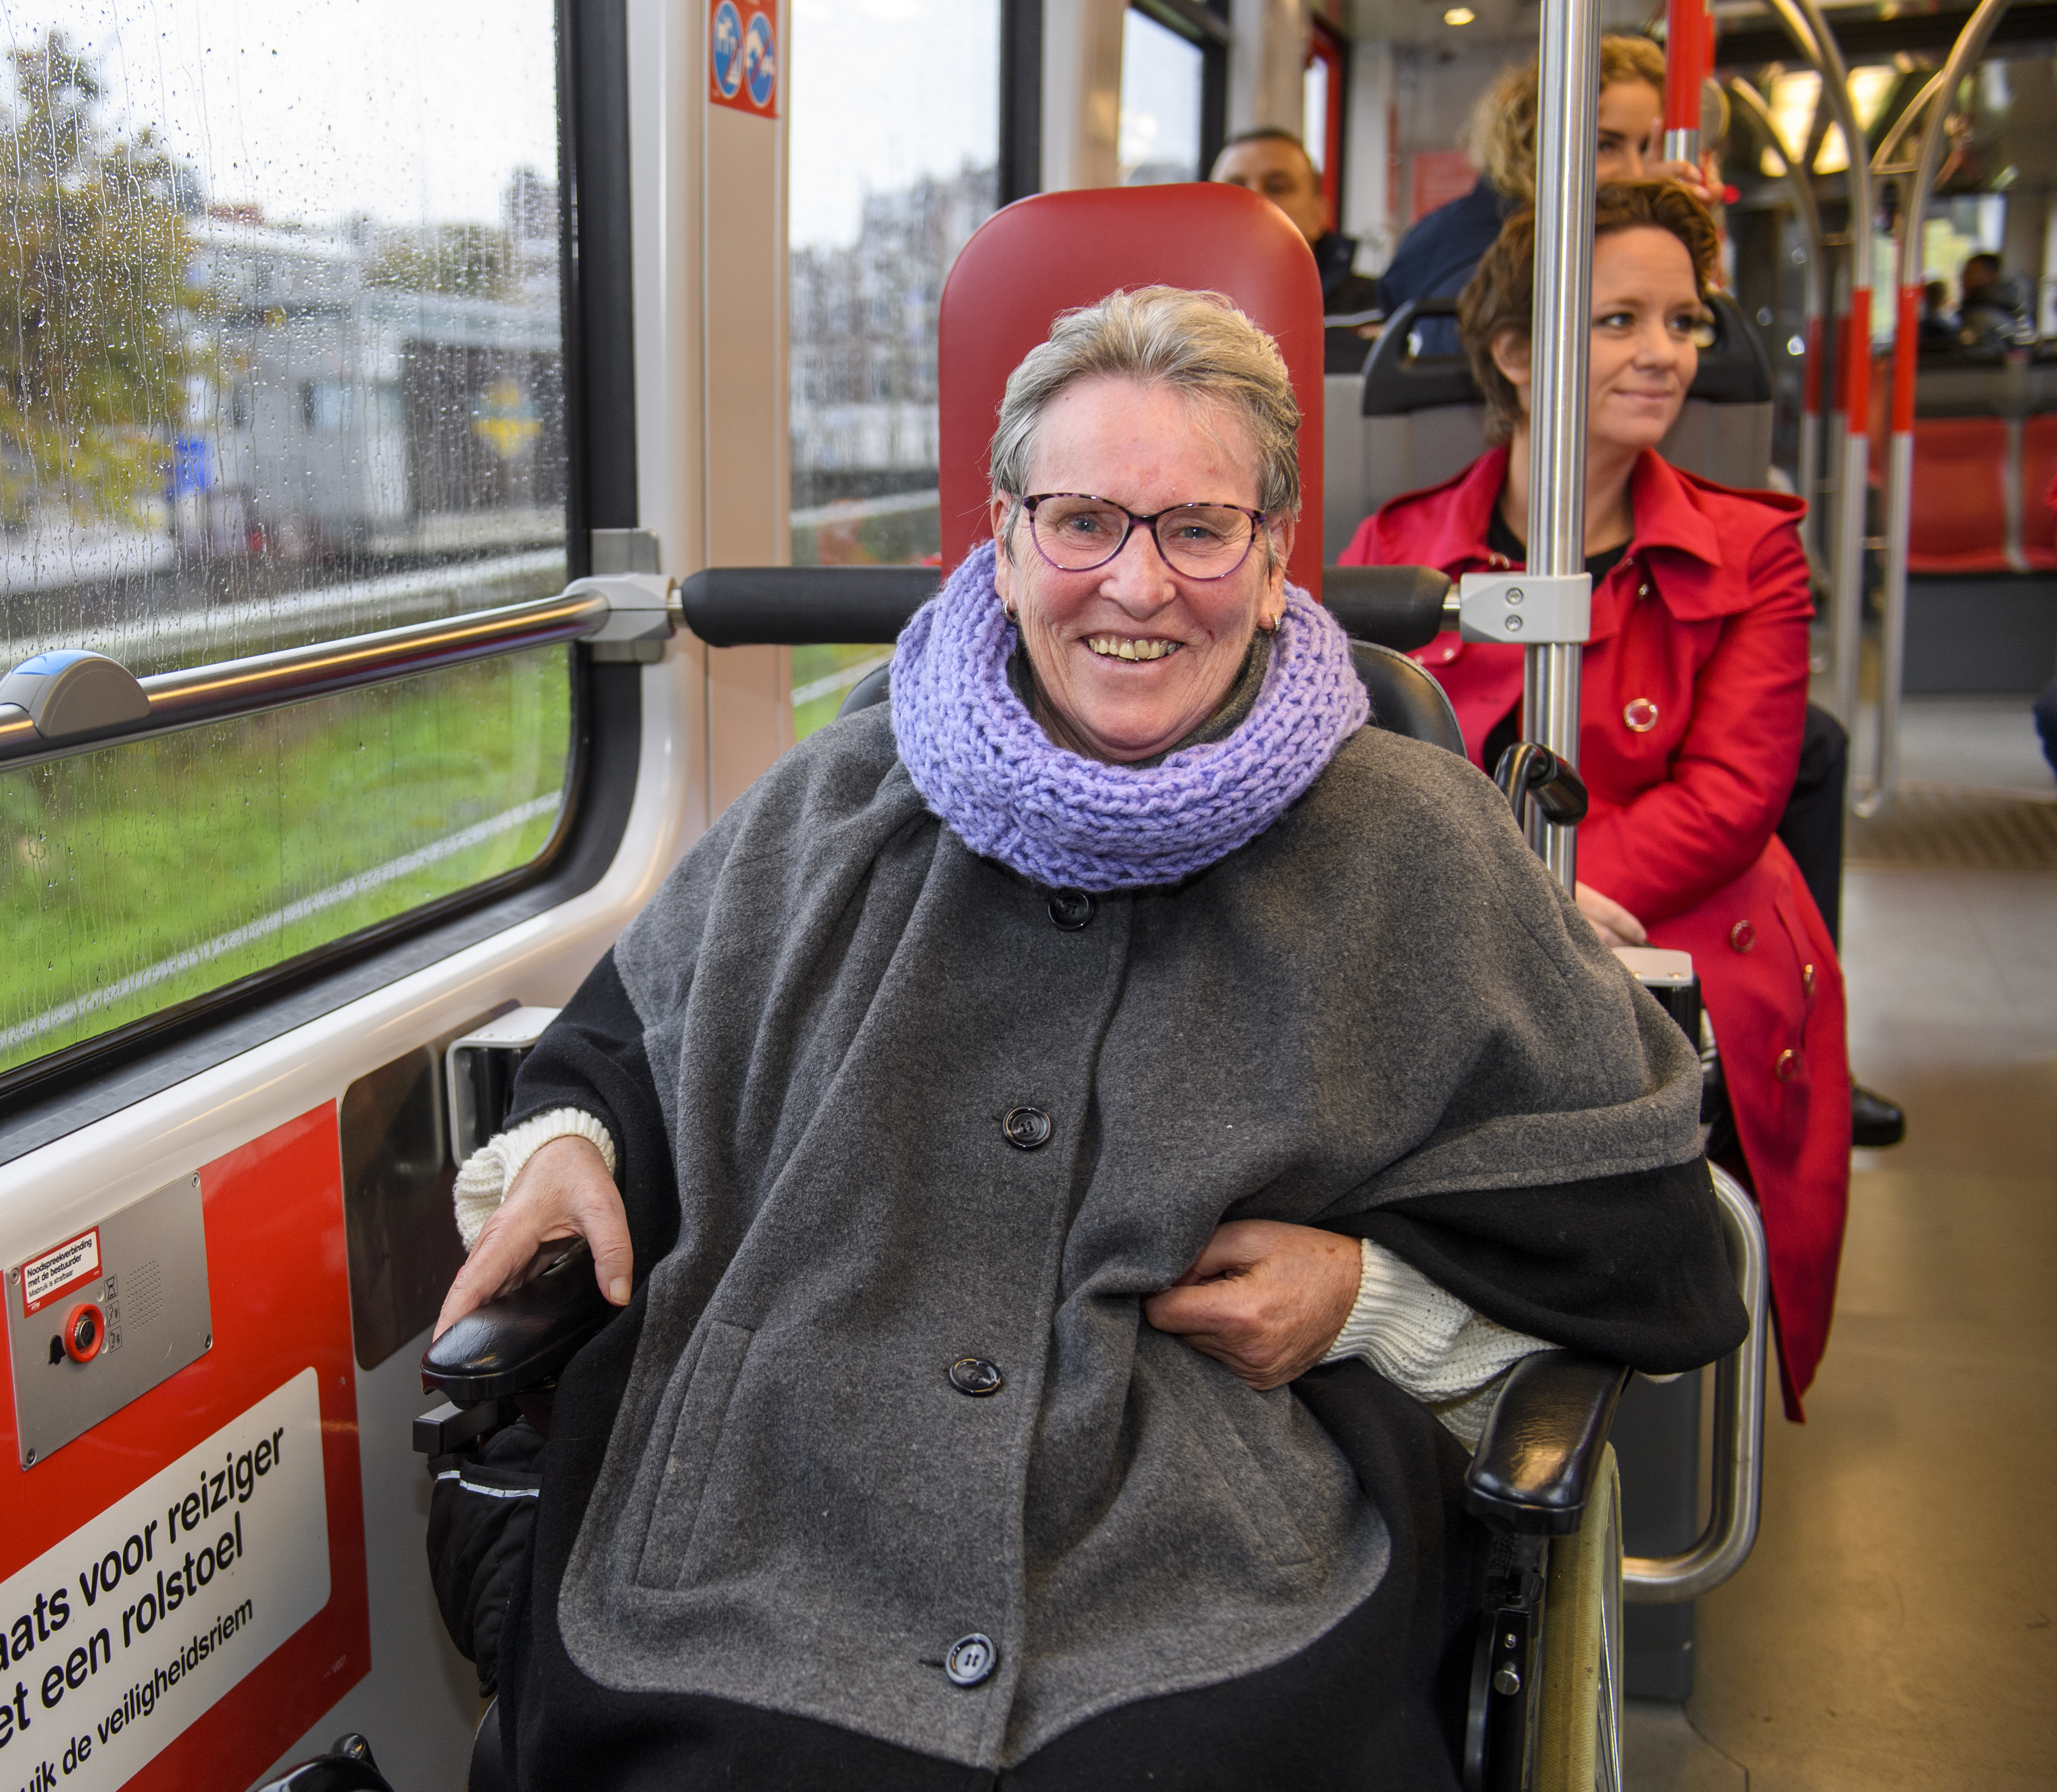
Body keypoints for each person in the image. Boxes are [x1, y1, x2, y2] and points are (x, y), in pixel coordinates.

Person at [426, 285, 1743, 1788]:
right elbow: (635, 1040)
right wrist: (566, 1146)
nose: (1135, 583)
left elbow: (1647, 1229)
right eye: (1081, 522)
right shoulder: (849, 789)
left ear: (1266, 561)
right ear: (1004, 540)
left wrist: (1367, 1291)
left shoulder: (1415, 838)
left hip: (1213, 1535)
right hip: (784, 1510)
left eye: (1194, 527)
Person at [1342, 180, 1846, 1417]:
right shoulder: (1397, 558)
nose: (1665, 354)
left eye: (1681, 322)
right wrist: (1517, 912)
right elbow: (1353, 778)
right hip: (1450, 935)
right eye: (1618, 320)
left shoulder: (1753, 553)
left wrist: (1559, 902)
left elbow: (1732, 795)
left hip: (1684, 937)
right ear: (1515, 355)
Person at [1374, 36, 1712, 354]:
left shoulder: (1558, 236)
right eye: (1605, 146)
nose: (1637, 174)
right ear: (1537, 141)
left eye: (1645, 148)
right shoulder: (1478, 253)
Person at [1209, 125, 1377, 372]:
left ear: (1320, 214)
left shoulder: (1379, 309)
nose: (1253, 199)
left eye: (1277, 188)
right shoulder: (1168, 316)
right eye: (1234, 189)